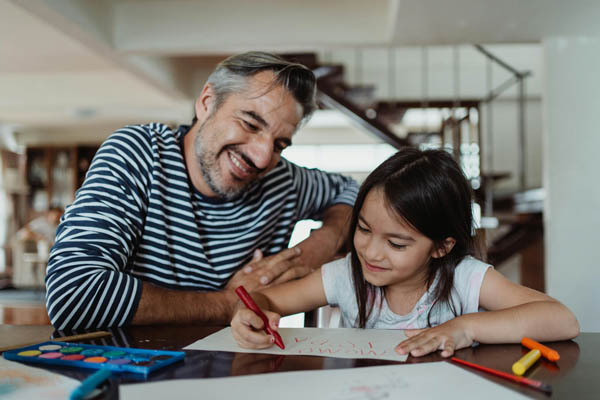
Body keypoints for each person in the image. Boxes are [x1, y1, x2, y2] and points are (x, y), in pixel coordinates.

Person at [45, 52, 359, 331]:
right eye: (250, 124)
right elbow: (74, 294)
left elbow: (352, 193)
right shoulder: (138, 154)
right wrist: (228, 304)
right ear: (207, 102)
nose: (263, 158)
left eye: (279, 144)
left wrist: (317, 248)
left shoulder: (282, 179)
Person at [231, 148, 579, 357]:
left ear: (442, 246)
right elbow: (265, 300)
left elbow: (562, 319)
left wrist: (466, 328)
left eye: (396, 244)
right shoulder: (345, 275)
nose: (371, 251)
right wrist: (253, 314)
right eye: (364, 229)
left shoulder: (464, 277)